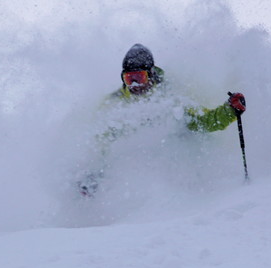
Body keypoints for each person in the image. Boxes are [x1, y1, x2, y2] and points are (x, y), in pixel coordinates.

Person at [78, 43, 246, 197]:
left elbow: (204, 123)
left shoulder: (171, 95)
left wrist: (229, 110)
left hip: (179, 166)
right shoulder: (115, 103)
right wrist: (93, 173)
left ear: (151, 74)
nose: (135, 85)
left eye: (139, 77)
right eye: (130, 79)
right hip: (135, 177)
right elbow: (101, 142)